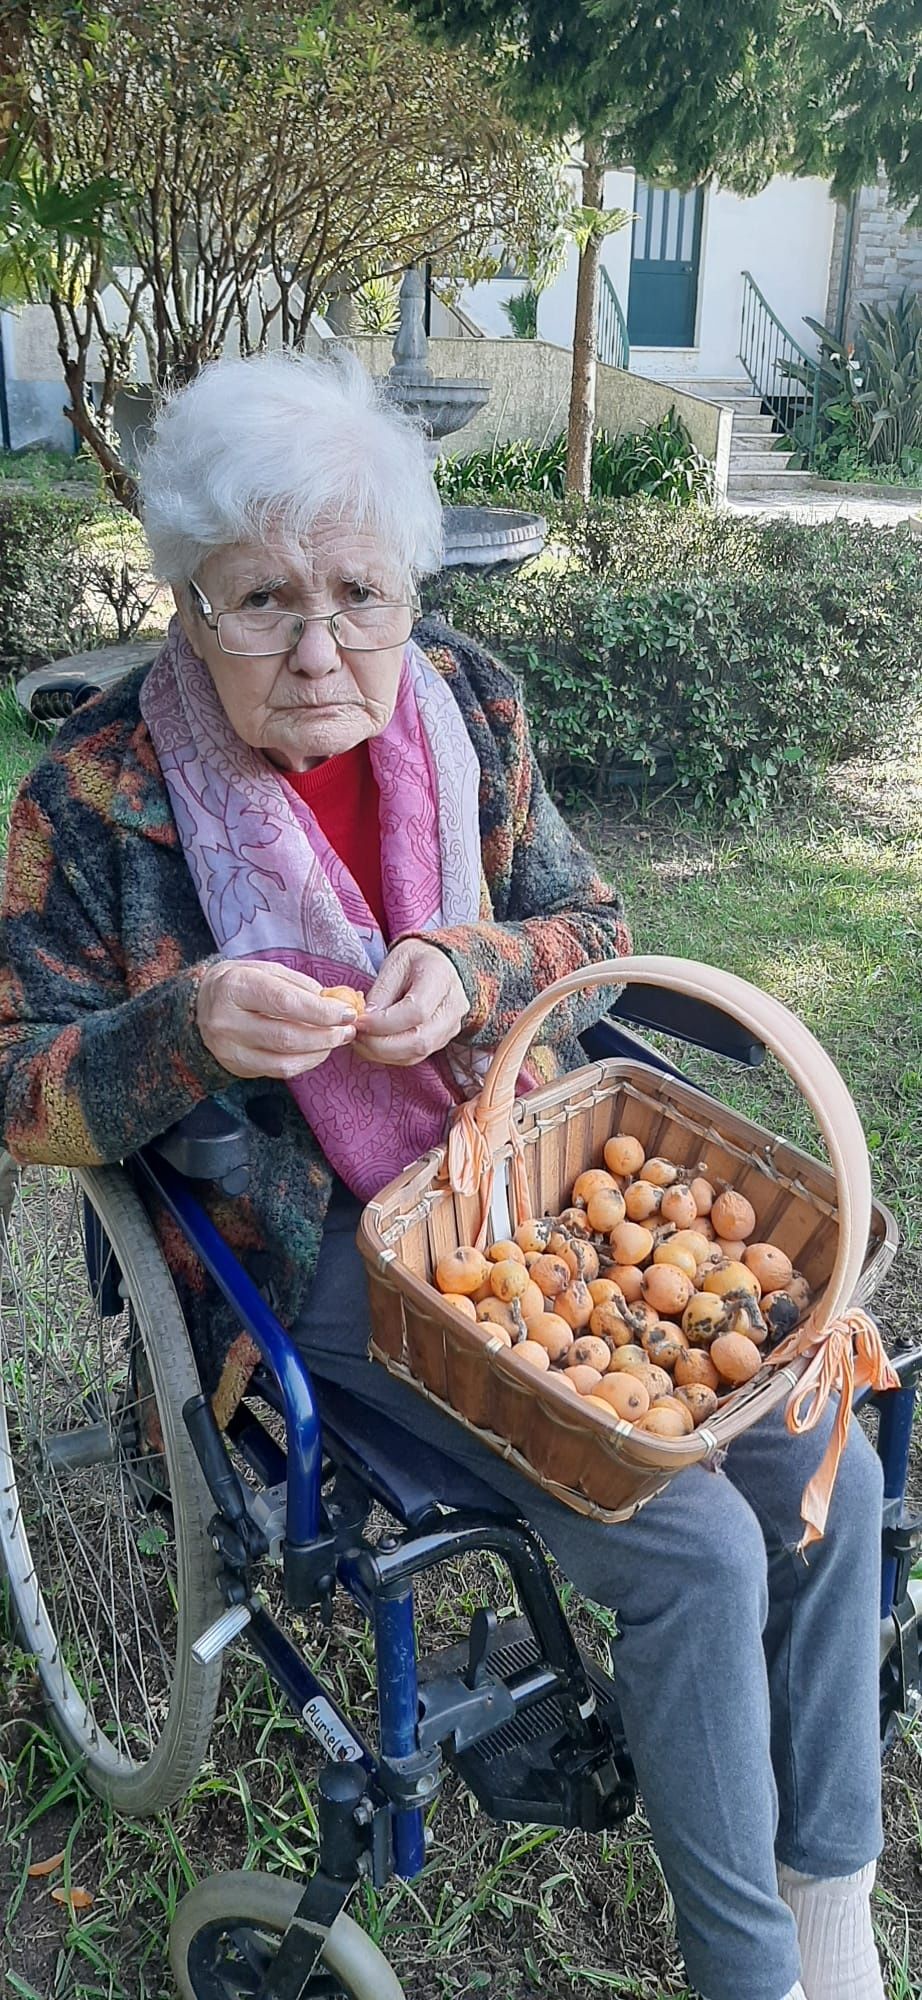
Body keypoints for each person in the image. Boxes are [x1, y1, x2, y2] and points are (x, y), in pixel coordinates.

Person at [0, 351, 885, 2000]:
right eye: (260, 598)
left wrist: (470, 969)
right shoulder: (92, 802)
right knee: (694, 1552)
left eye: (360, 594)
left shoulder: (467, 701)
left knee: (824, 1437)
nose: (320, 646)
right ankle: (755, 1974)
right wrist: (184, 1027)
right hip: (313, 1241)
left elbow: (595, 936)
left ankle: (824, 1883)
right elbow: (18, 1085)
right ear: (188, 597)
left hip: (520, 1176)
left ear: (414, 591)